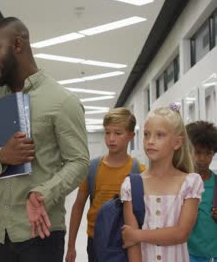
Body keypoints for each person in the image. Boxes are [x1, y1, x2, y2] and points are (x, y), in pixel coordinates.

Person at [0, 16, 89, 261]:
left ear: (18, 45)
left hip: (40, 232)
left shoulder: (62, 101)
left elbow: (79, 162)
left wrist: (43, 193)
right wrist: (1, 155)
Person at [121, 106, 204, 262]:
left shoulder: (190, 183)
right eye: (146, 135)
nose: (150, 141)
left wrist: (138, 235)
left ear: (177, 142)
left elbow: (181, 233)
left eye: (160, 135)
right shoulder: (131, 185)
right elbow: (133, 246)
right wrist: (133, 237)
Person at [66, 108, 146, 262]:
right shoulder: (92, 168)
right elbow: (78, 207)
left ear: (131, 136)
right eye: (107, 132)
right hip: (96, 239)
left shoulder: (140, 172)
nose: (111, 138)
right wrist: (71, 245)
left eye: (118, 133)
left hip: (126, 241)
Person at [186, 121, 217, 262]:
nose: (202, 159)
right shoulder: (182, 183)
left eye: (208, 154)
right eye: (197, 152)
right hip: (187, 254)